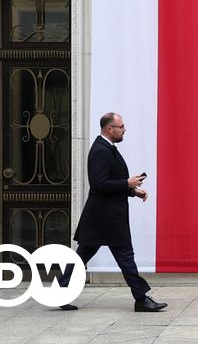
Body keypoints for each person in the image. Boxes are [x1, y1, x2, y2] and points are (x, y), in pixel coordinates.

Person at [58, 112, 167, 312]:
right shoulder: (100, 150)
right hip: (105, 218)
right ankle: (141, 299)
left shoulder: (107, 148)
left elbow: (109, 182)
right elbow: (99, 184)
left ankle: (60, 291)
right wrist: (127, 183)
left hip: (105, 218)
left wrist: (132, 191)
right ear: (110, 129)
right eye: (121, 126)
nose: (124, 130)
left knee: (88, 256)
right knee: (123, 257)